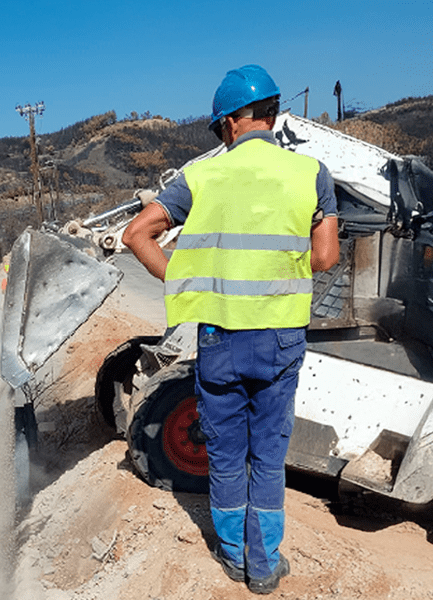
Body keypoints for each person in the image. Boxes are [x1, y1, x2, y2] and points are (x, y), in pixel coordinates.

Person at [121, 64, 340, 595]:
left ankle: (232, 555)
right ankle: (263, 566)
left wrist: (184, 276)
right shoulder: (312, 173)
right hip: (281, 339)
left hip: (220, 338)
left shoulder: (200, 178)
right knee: (267, 455)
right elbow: (326, 256)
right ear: (271, 115)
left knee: (224, 454)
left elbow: (135, 234)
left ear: (230, 123)